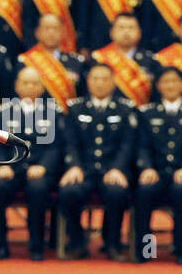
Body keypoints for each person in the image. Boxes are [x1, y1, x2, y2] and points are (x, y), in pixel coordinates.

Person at [58, 62, 137, 261]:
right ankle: (77, 241)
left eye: (104, 79)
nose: (100, 83)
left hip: (112, 169)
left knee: (117, 192)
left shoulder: (125, 108)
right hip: (83, 169)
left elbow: (128, 144)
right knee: (68, 191)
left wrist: (118, 168)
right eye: (95, 79)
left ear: (113, 82)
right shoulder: (76, 108)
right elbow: (70, 143)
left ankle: (112, 243)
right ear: (88, 81)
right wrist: (74, 165)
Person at [0, 66, 62, 260]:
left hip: (38, 169)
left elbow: (56, 147)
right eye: (25, 82)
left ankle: (36, 245)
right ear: (17, 85)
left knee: (38, 189)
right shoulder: (3, 111)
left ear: (42, 87)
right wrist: (2, 165)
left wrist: (43, 166)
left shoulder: (53, 111)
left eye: (34, 83)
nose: (29, 87)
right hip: (11, 167)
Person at [133, 67, 182, 264]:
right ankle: (146, 250)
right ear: (158, 86)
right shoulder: (147, 113)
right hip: (156, 171)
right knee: (144, 192)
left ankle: (181, 250)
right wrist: (146, 167)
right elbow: (142, 146)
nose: (170, 86)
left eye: (174, 81)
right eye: (165, 82)